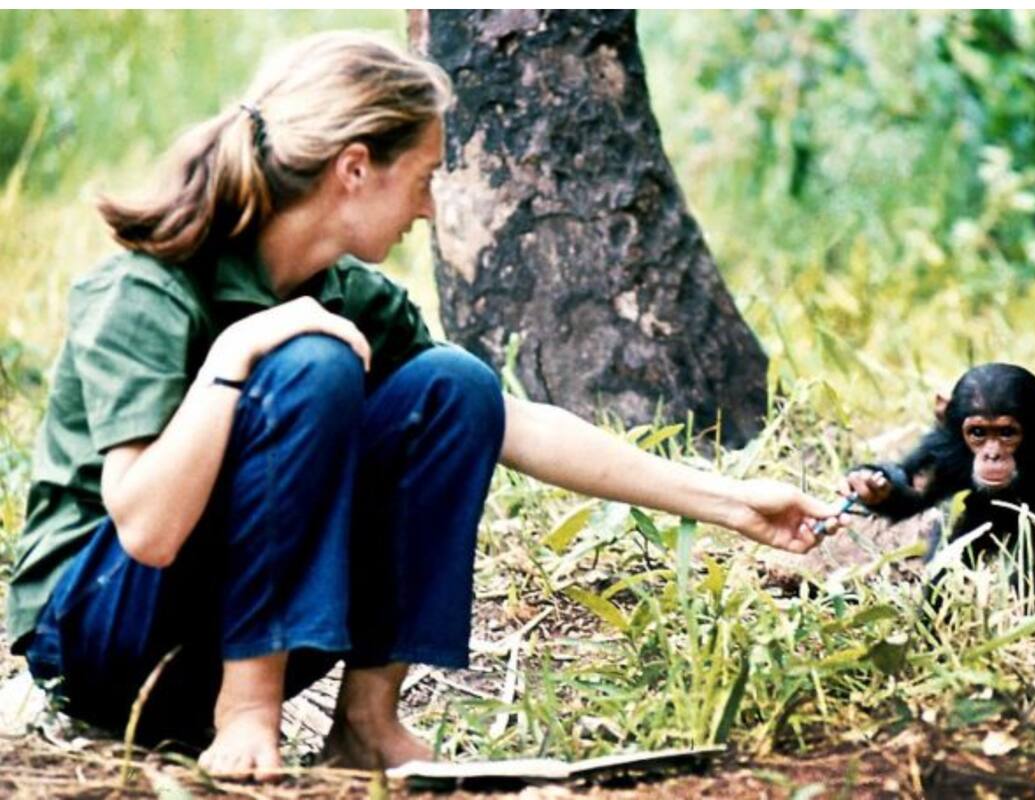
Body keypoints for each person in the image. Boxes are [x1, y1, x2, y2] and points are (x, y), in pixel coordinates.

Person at [5, 31, 841, 779]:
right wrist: (237, 351)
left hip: (214, 628)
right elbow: (146, 534)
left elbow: (510, 424)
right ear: (356, 166)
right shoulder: (149, 289)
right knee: (314, 361)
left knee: (454, 385)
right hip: (101, 638)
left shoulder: (346, 294)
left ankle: (367, 722)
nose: (432, 207)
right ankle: (247, 708)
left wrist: (734, 502)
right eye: (427, 176)